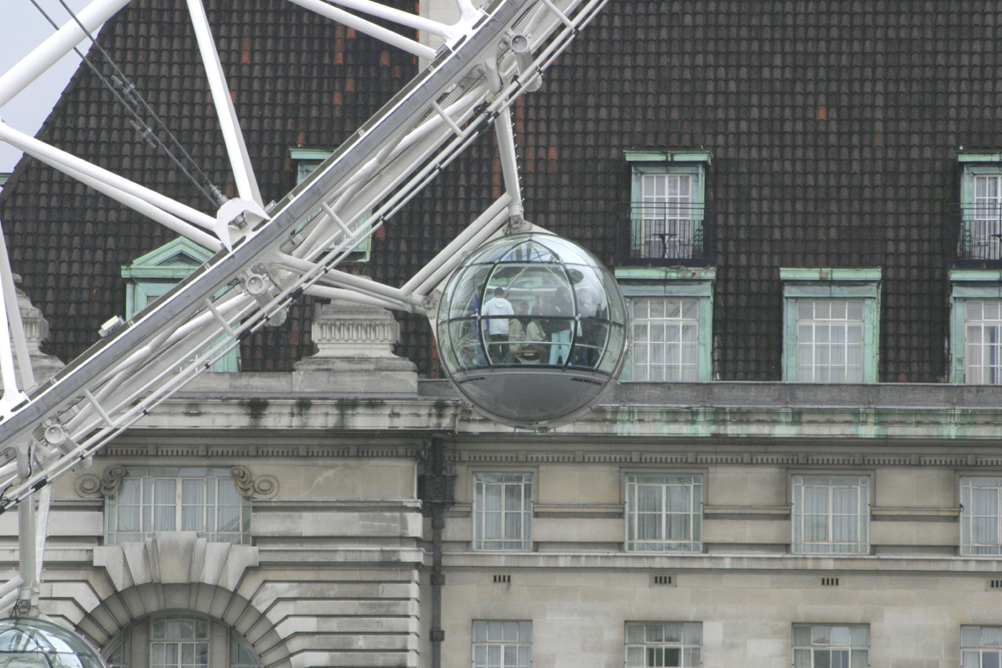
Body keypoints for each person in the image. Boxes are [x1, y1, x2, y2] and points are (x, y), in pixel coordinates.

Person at [481, 286, 514, 363]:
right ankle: (506, 363)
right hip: (504, 329)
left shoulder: (489, 303)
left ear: (494, 294)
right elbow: (512, 315)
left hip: (494, 330)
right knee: (505, 347)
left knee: (495, 347)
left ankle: (498, 362)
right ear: (502, 294)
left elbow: (482, 313)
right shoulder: (507, 303)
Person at [548, 286, 573, 365]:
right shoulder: (566, 301)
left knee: (554, 345)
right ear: (563, 293)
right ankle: (566, 363)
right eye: (566, 292)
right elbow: (569, 313)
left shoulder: (553, 301)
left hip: (554, 326)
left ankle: (552, 363)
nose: (567, 294)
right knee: (564, 345)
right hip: (564, 326)